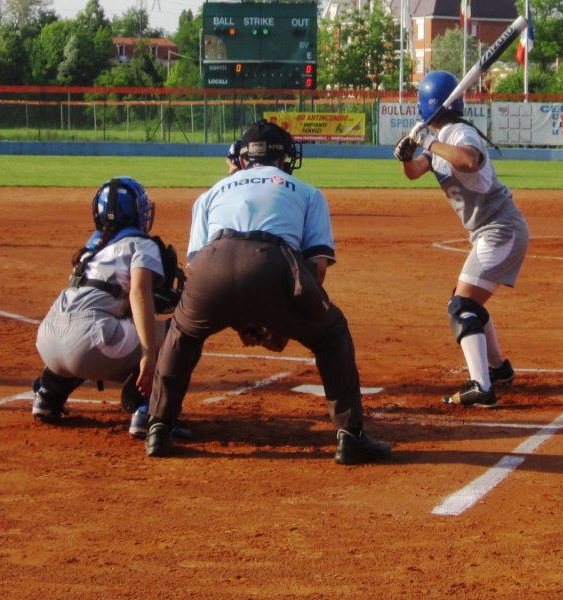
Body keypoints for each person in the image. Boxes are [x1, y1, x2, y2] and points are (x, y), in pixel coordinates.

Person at [143, 119, 392, 465]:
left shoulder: (212, 193)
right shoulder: (306, 192)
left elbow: (199, 267)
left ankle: (158, 425)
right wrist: (283, 322)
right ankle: (350, 435)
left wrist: (242, 318)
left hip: (211, 266)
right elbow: (316, 269)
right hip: (272, 264)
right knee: (332, 333)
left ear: (243, 159)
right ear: (283, 157)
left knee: (183, 334)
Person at [393, 71, 528, 408]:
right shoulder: (443, 138)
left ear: (426, 107)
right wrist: (407, 156)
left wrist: (428, 141)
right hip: (490, 230)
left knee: (461, 306)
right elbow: (414, 172)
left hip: (500, 228)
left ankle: (482, 387)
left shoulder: (459, 133)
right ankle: (498, 369)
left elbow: (468, 160)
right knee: (466, 302)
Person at [31, 176, 190, 440]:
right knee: (179, 331)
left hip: (48, 341)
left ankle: (48, 394)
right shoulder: (142, 244)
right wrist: (148, 354)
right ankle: (148, 410)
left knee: (87, 331)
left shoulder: (91, 248)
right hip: (90, 343)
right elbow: (139, 294)